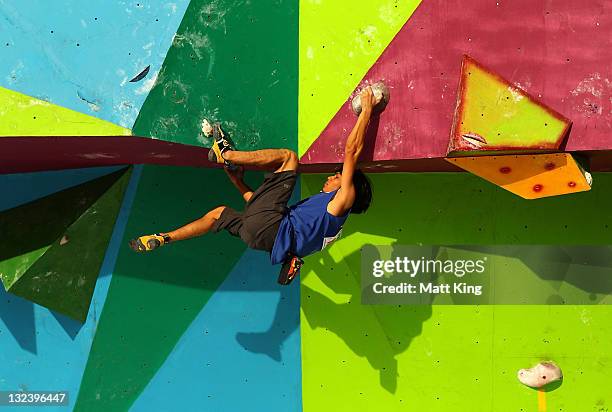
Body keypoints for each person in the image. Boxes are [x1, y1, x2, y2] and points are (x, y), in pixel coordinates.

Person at [129, 87, 377, 284]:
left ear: (348, 187)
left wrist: (366, 109)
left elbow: (351, 150)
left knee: (289, 158)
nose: (331, 177)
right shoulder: (320, 229)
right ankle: (164, 237)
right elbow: (258, 212)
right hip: (258, 239)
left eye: (336, 176)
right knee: (218, 214)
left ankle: (226, 153)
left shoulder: (341, 202)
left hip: (271, 227)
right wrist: (239, 182)